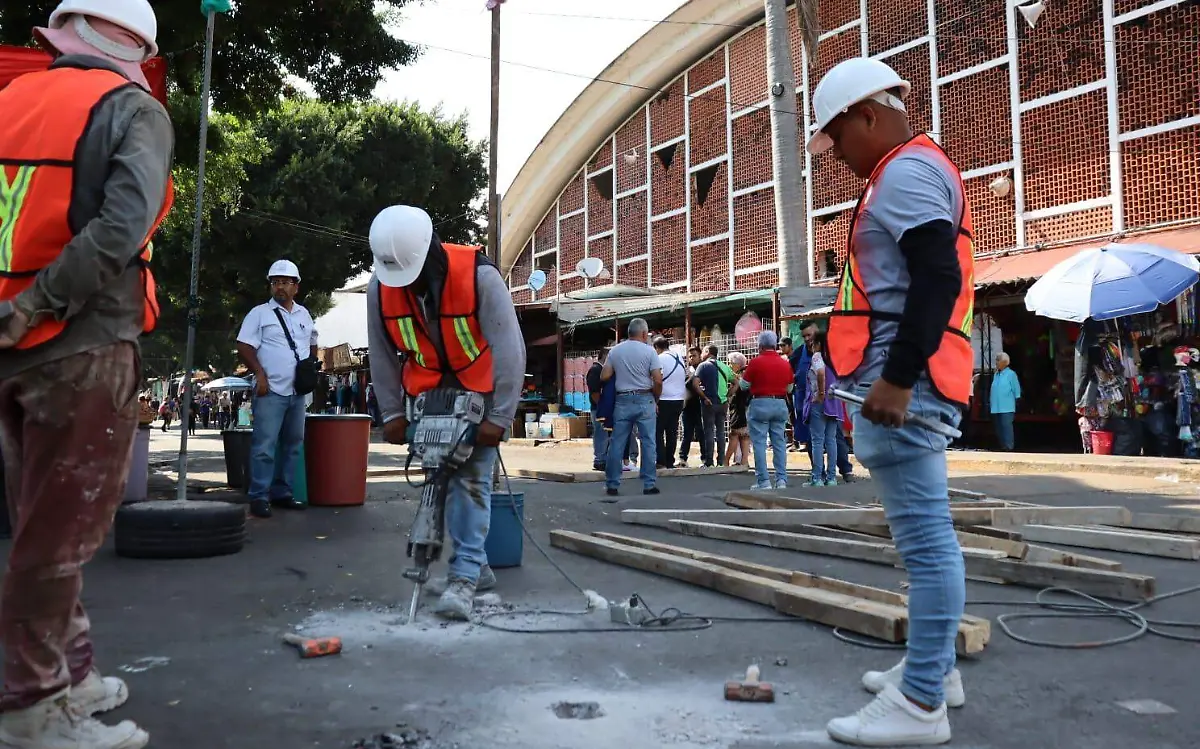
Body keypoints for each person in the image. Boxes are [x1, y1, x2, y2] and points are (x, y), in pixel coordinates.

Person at [0, 1, 171, 747]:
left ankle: (72, 677)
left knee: (42, 525)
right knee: (56, 541)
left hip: (10, 347)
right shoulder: (131, 108)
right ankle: (33, 710)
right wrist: (40, 304)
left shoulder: (10, 102)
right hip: (81, 344)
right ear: (132, 48)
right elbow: (121, 224)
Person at [808, 57, 975, 745]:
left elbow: (934, 275)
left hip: (908, 388)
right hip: (912, 383)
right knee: (926, 541)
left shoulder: (904, 174)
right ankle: (935, 668)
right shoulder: (913, 168)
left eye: (837, 140)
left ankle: (921, 702)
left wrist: (898, 378)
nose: (836, 158)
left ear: (869, 116)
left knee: (928, 544)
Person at [366, 205, 525, 620]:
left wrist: (500, 417)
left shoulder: (479, 276)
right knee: (440, 480)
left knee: (471, 483)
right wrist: (390, 414)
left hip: (479, 393)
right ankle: (479, 567)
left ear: (430, 251)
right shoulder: (380, 286)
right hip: (428, 395)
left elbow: (510, 349)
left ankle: (464, 578)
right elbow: (381, 353)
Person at [236, 259, 318, 519]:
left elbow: (313, 342)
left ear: (297, 286)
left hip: (297, 392)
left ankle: (283, 492)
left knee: (294, 443)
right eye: (275, 283)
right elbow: (244, 346)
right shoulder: (259, 313)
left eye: (285, 282)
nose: (279, 287)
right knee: (264, 445)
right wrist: (259, 373)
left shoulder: (304, 314)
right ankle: (259, 496)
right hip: (270, 390)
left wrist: (310, 367)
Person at [600, 318, 662, 497]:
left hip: (622, 401)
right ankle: (649, 484)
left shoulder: (616, 351)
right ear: (643, 333)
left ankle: (612, 484)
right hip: (645, 398)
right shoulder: (650, 352)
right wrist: (655, 399)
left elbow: (604, 375)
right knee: (648, 442)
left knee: (617, 442)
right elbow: (657, 379)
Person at [741, 332, 794, 490]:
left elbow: (744, 386)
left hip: (760, 403)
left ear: (760, 346)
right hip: (780, 404)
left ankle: (763, 481)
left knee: (759, 443)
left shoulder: (755, 362)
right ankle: (781, 480)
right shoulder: (785, 363)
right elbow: (790, 388)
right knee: (779, 443)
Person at [805, 332, 839, 487]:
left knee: (817, 441)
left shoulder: (818, 357)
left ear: (817, 343)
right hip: (835, 402)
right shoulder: (835, 358)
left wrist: (820, 393)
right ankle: (832, 478)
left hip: (819, 402)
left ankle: (817, 477)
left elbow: (820, 373)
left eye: (812, 343)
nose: (810, 346)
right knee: (831, 440)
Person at [695, 344, 732, 466]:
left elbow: (695, 384)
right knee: (721, 432)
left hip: (709, 403)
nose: (701, 355)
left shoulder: (703, 366)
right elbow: (736, 382)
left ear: (707, 352)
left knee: (709, 431)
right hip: (722, 404)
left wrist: (704, 397)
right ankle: (721, 461)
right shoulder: (724, 366)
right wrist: (727, 396)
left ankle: (709, 462)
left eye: (703, 352)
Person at [653, 337, 688, 469]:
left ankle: (660, 461)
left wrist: (655, 399)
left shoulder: (660, 359)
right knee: (672, 432)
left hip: (664, 400)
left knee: (658, 431)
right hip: (679, 400)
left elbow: (658, 380)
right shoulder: (679, 358)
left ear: (657, 348)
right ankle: (670, 461)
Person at [677, 346, 704, 466]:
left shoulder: (703, 369)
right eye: (689, 356)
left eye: (694, 355)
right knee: (687, 433)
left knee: (701, 432)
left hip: (701, 405)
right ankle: (683, 459)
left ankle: (705, 459)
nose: (691, 358)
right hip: (687, 405)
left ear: (700, 356)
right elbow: (684, 385)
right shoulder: (686, 370)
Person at [724, 352, 752, 466]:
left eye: (731, 363)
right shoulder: (747, 374)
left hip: (739, 408)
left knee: (734, 434)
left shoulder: (739, 377)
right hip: (746, 408)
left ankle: (725, 460)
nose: (729, 365)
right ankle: (744, 461)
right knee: (745, 436)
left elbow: (734, 393)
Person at [990, 352, 1021, 451]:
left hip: (1006, 407)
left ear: (1004, 362)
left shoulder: (1011, 374)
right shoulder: (996, 374)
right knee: (998, 428)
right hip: (996, 407)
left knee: (1006, 427)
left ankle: (1008, 447)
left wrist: (1017, 400)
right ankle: (1003, 446)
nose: (996, 363)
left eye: (998, 360)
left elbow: (1017, 389)